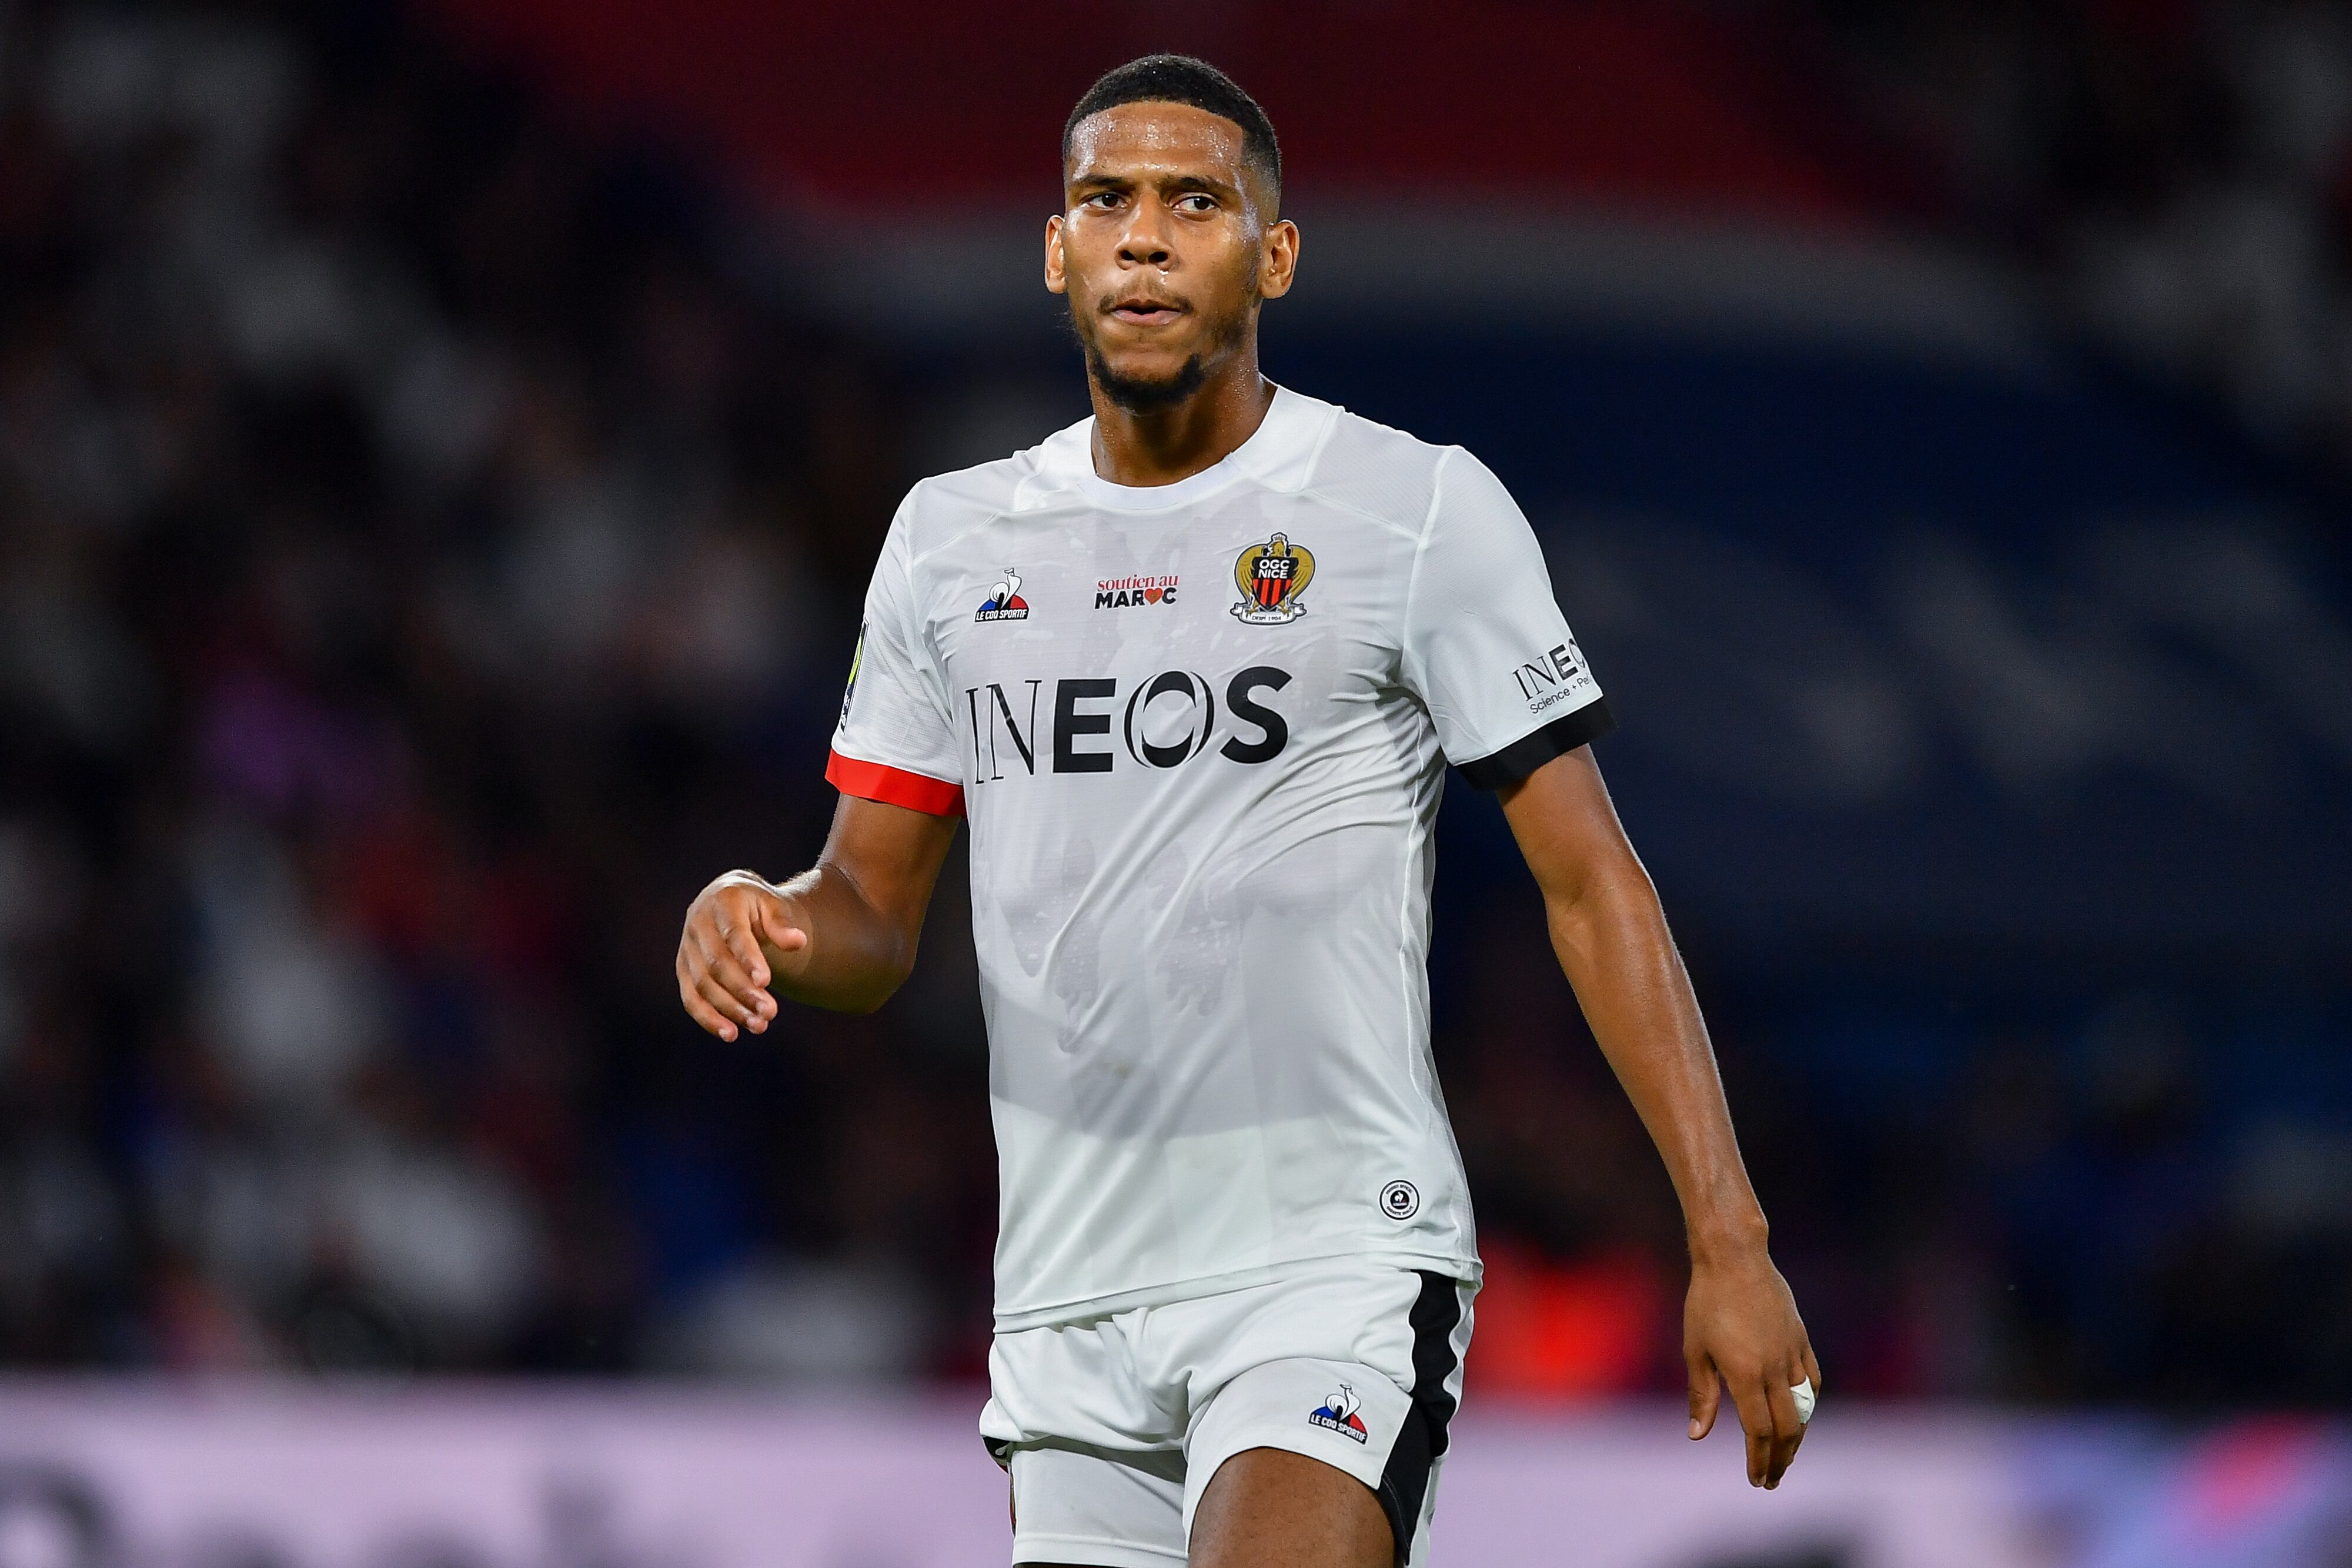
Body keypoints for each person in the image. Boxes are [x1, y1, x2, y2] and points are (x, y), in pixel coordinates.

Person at [676, 53, 1819, 1568]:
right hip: (1068, 1299)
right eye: (1108, 200)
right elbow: (874, 918)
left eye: (1193, 202)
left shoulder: (1411, 512)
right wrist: (764, 917)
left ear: (1272, 255)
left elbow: (1589, 881)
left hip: (1330, 1265)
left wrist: (1727, 1237)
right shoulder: (949, 541)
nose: (1144, 236)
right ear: (1056, 250)